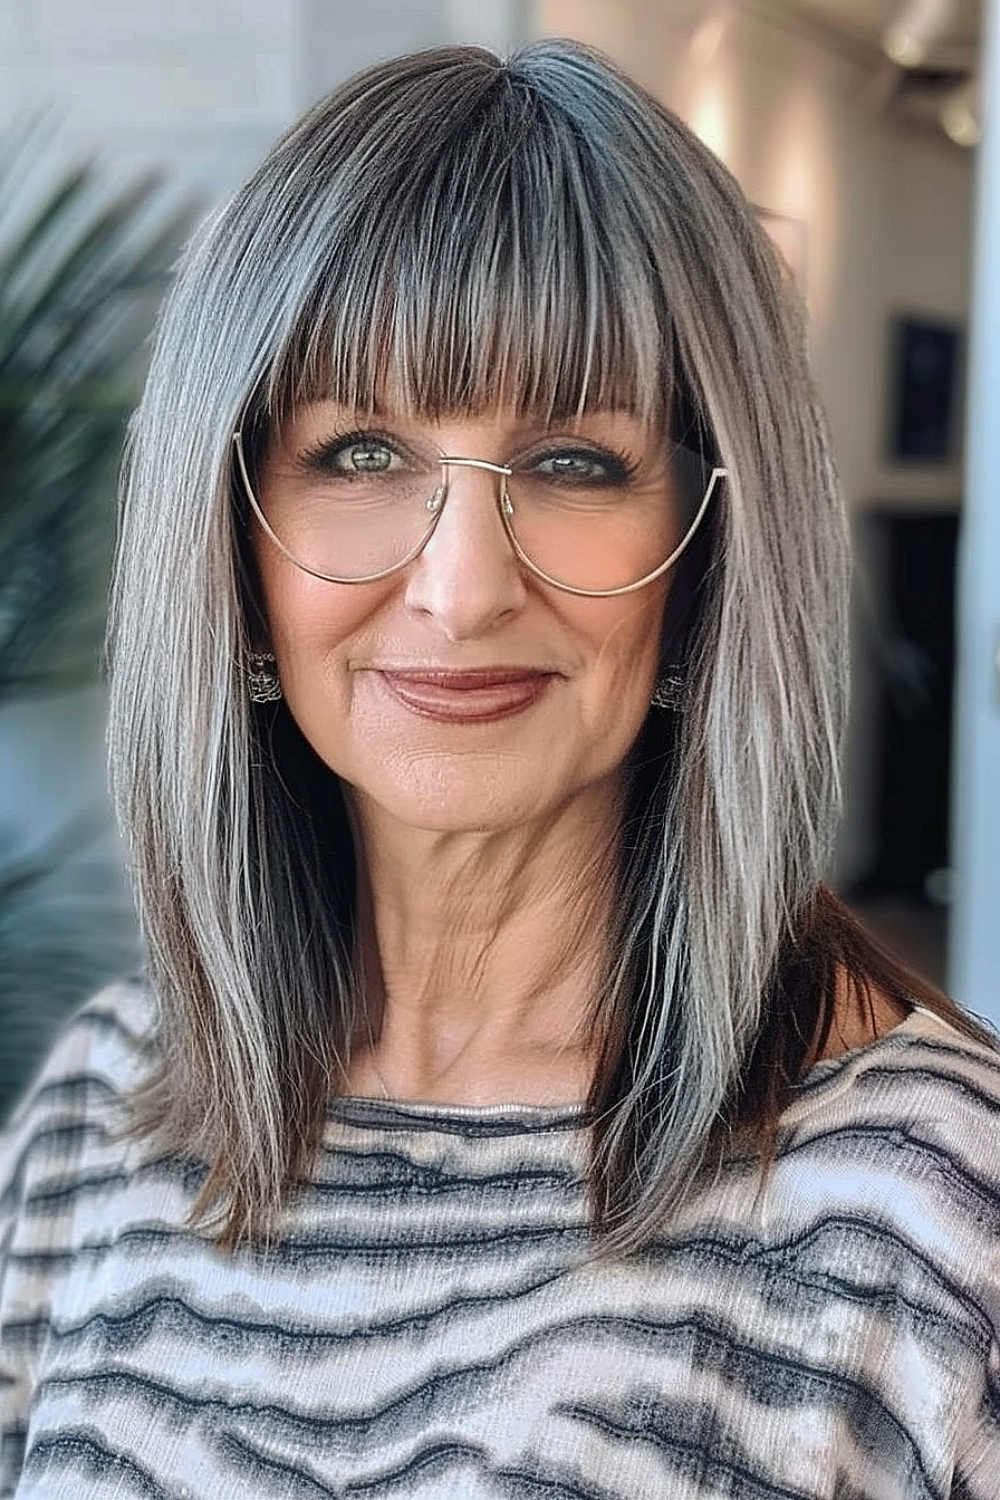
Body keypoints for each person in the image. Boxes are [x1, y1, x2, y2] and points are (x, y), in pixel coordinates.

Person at [1, 38, 998, 1500]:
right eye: (358, 453)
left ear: (711, 556)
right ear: (230, 542)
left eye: (574, 461)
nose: (462, 589)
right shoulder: (104, 1101)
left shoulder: (934, 1211)